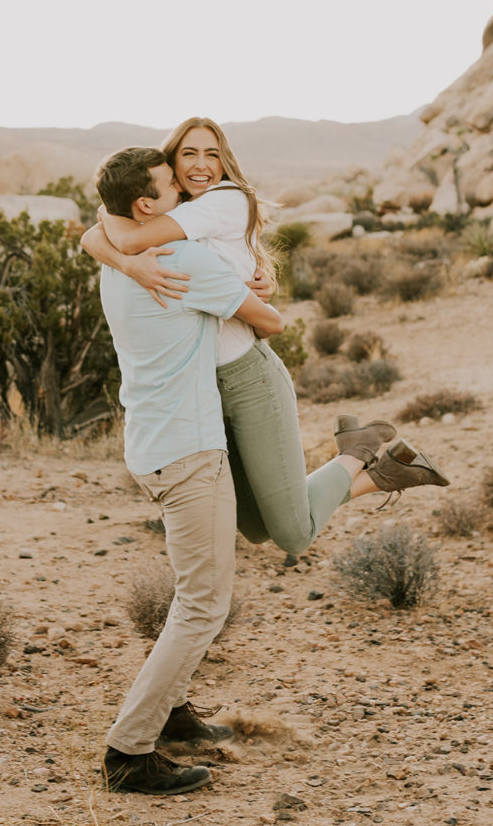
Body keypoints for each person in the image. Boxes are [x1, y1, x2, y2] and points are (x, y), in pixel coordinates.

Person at [82, 118, 449, 559]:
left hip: (248, 378)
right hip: (204, 389)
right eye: (189, 155)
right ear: (170, 166)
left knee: (293, 535)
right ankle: (379, 466)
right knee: (255, 527)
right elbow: (99, 237)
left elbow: (118, 234)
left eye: (212, 154)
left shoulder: (222, 200)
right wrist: (126, 258)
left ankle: (362, 451)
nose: (201, 165)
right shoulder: (177, 213)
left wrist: (116, 235)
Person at [86, 145, 284, 796]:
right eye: (174, 185)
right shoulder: (181, 258)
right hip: (190, 452)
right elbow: (270, 323)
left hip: (151, 442)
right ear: (146, 206)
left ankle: (170, 712)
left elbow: (97, 231)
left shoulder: (122, 258)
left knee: (191, 592)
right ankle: (128, 750)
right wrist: (256, 285)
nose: (186, 192)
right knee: (203, 604)